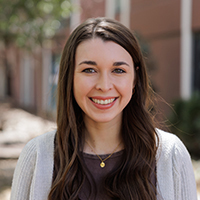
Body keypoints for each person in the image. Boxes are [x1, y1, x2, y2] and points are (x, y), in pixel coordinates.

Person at [10, 17, 197, 200]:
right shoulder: (37, 156)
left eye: (118, 70)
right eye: (89, 70)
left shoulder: (170, 155)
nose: (104, 85)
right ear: (70, 77)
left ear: (135, 79)